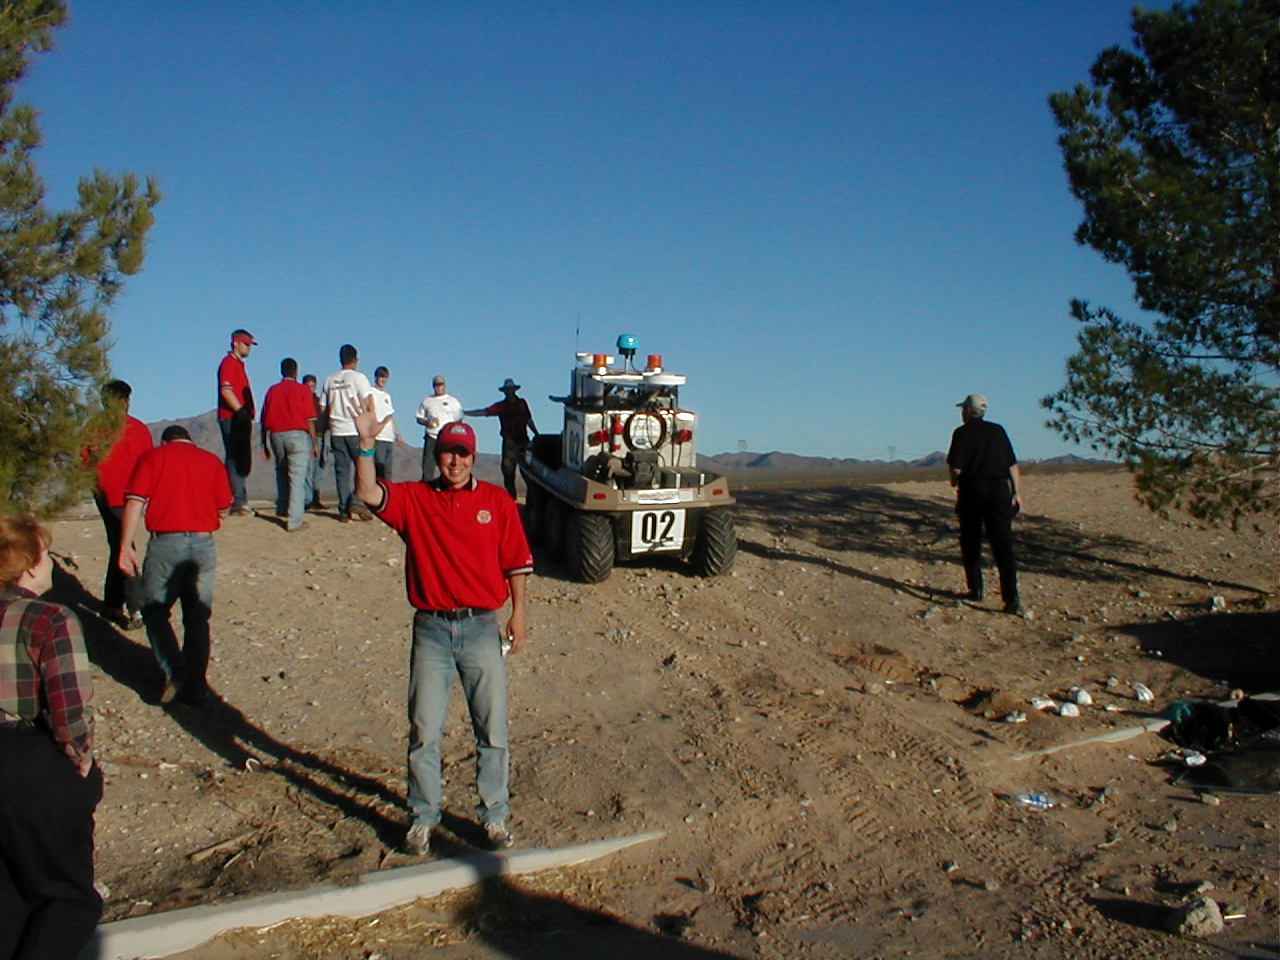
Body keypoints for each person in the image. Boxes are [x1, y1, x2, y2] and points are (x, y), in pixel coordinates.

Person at [353, 413, 532, 856]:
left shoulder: (497, 502)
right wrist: (365, 445)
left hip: (481, 628)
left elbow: (516, 561)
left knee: (491, 729)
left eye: (463, 453)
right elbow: (368, 493)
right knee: (424, 730)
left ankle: (494, 817)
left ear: (474, 457)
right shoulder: (415, 499)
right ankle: (422, 817)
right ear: (438, 456)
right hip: (431, 630)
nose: (455, 461)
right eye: (448, 452)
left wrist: (520, 613)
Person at [0, 514, 103, 960]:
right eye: (45, 556)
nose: (51, 565)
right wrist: (79, 759)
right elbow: (69, 707)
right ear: (26, 565)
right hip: (26, 757)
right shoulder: (48, 619)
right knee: (68, 899)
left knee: (7, 898)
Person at [119, 425, 233, 705]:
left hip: (165, 543)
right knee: (197, 616)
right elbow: (224, 506)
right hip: (204, 544)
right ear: (190, 440)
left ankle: (175, 670)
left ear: (164, 441)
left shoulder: (153, 458)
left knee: (155, 610)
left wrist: (125, 546)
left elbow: (134, 503)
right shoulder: (211, 461)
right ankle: (196, 685)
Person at [946, 393, 1024, 615]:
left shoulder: (960, 434)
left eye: (963, 409)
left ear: (968, 411)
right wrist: (1017, 493)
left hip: (972, 491)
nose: (962, 413)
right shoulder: (998, 431)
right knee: (1003, 545)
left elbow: (956, 469)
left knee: (971, 541)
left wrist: (954, 481)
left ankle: (976, 589)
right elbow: (1012, 465)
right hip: (999, 491)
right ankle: (1011, 598)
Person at [84, 379, 153, 629]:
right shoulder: (137, 428)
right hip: (125, 499)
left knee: (117, 544)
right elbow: (149, 465)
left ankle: (112, 604)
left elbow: (82, 463)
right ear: (125, 401)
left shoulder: (92, 428)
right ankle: (137, 609)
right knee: (127, 548)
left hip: (104, 495)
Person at [260, 358, 318, 532]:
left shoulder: (272, 390)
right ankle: (294, 521)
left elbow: (264, 420)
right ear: (296, 372)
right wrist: (314, 442)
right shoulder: (302, 390)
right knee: (297, 478)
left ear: (281, 371)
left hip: (276, 435)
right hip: (298, 435)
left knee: (281, 471)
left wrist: (264, 443)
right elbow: (310, 419)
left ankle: (283, 508)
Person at [321, 344, 374, 522]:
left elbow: (323, 407)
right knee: (363, 468)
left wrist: (324, 428)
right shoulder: (359, 378)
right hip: (354, 429)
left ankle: (343, 509)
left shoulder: (330, 379)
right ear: (355, 359)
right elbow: (368, 403)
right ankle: (358, 501)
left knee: (342, 471)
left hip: (336, 429)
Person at [465, 378, 538, 498]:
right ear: (505, 392)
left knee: (528, 472)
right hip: (509, 443)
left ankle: (531, 500)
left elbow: (529, 419)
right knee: (508, 472)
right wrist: (467, 413)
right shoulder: (501, 406)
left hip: (523, 441)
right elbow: (484, 412)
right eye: (507, 390)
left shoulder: (522, 403)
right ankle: (511, 499)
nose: (509, 392)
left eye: (511, 390)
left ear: (514, 390)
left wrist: (536, 433)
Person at [216, 328, 257, 516]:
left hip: (240, 418)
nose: (249, 348)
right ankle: (238, 501)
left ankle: (237, 499)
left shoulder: (239, 365)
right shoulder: (228, 364)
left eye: (250, 345)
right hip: (232, 418)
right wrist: (240, 411)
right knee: (235, 458)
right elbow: (226, 390)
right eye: (246, 344)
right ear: (235, 343)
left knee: (240, 458)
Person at [414, 374, 462, 482]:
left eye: (440, 384)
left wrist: (454, 433)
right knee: (428, 466)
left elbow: (459, 420)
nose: (438, 387)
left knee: (446, 465)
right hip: (431, 436)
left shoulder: (453, 401)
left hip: (447, 438)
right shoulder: (427, 401)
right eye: (436, 385)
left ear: (445, 386)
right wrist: (426, 422)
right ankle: (426, 489)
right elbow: (419, 418)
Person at [368, 366, 406, 480]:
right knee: (379, 469)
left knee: (388, 471)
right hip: (378, 436)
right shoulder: (371, 392)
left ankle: (388, 495)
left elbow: (390, 416)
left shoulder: (387, 396)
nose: (383, 380)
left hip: (389, 437)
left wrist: (398, 434)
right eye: (381, 377)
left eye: (385, 377)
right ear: (376, 377)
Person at [301, 374, 326, 511]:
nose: (311, 388)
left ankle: (316, 498)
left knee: (319, 469)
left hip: (321, 436)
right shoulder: (301, 400)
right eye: (308, 385)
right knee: (308, 469)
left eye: (313, 386)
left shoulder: (318, 400)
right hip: (308, 437)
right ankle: (308, 499)